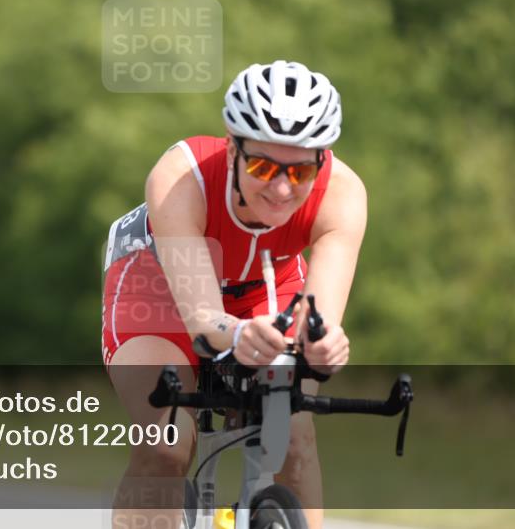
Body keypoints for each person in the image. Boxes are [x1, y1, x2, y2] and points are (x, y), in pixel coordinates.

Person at [102, 60, 366, 529]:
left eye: (301, 172)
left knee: (294, 439)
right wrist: (239, 331)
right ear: (232, 152)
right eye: (263, 166)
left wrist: (322, 345)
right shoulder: (181, 179)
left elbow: (318, 319)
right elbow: (203, 316)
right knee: (165, 441)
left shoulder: (342, 194)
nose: (283, 188)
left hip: (268, 282)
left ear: (321, 162)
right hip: (157, 286)